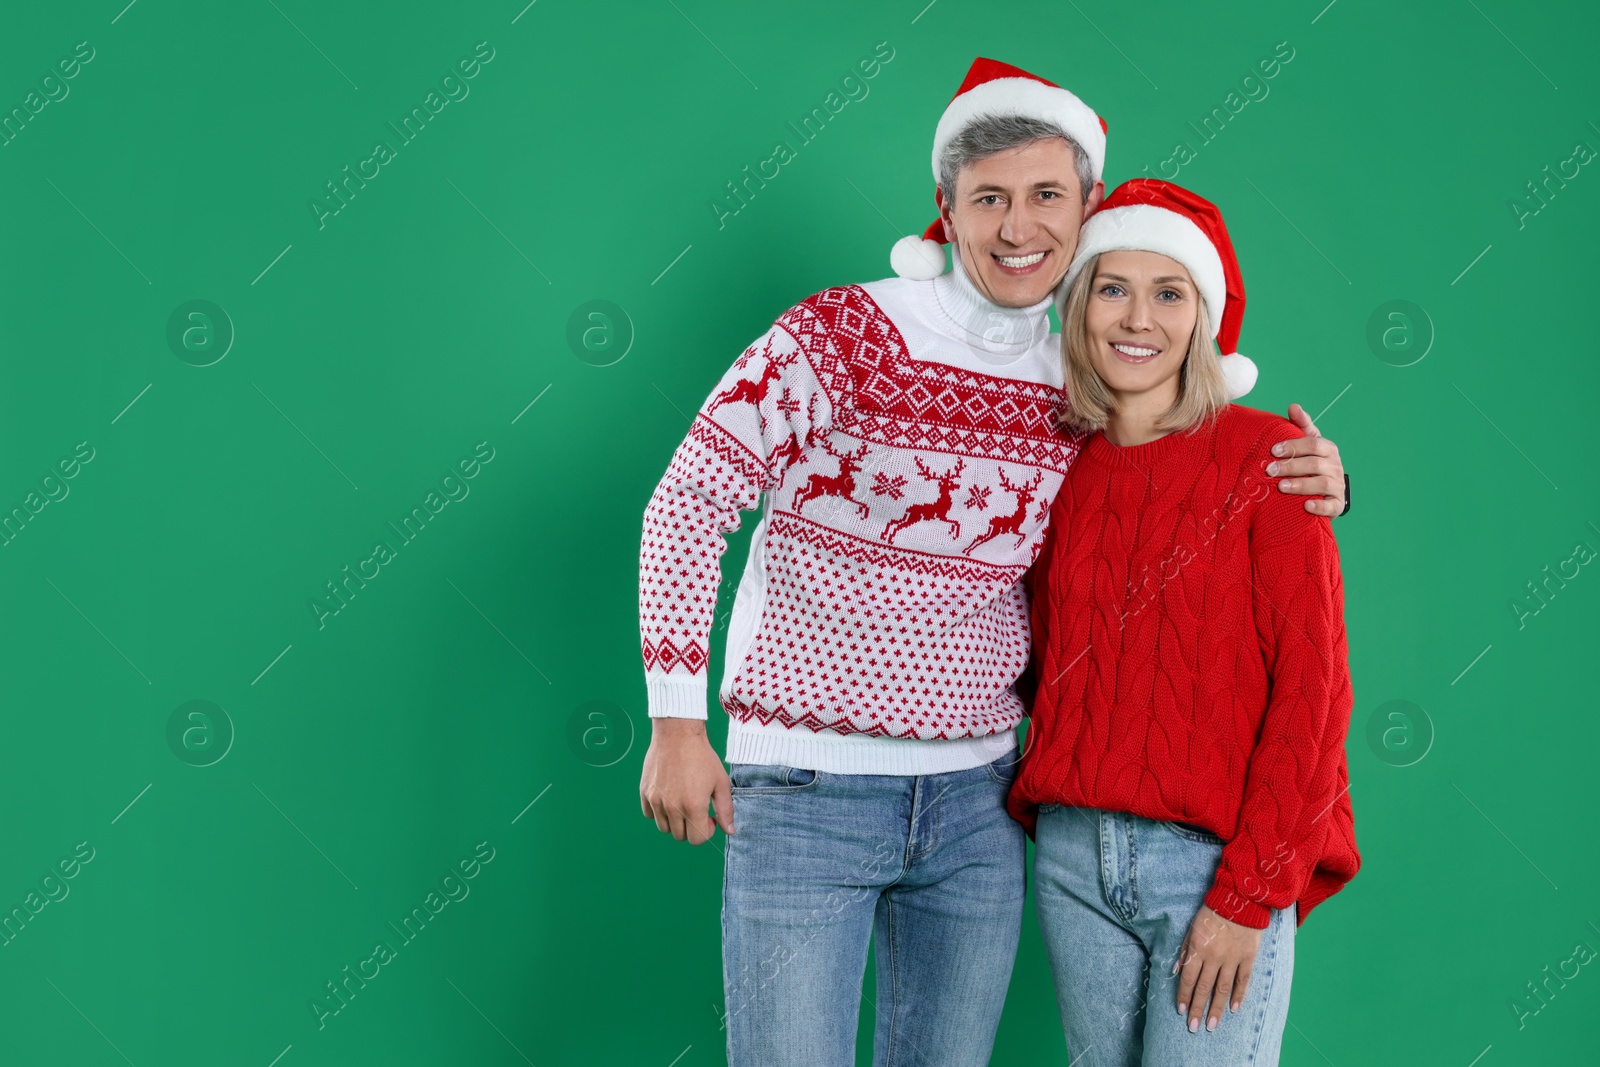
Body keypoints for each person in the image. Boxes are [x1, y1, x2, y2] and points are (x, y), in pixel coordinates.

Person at [637, 59, 1347, 1067]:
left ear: (1088, 204)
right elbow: (689, 499)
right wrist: (674, 714)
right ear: (945, 209)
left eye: (1047, 195)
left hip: (977, 804)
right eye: (990, 199)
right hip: (801, 790)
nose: (1019, 228)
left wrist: (1316, 477)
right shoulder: (842, 333)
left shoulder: (1083, 377)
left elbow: (1179, 487)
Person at [1007, 178, 1360, 1066]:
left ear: (1201, 316)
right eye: (1113, 288)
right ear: (1080, 304)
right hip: (1071, 857)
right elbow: (1026, 652)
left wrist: (1249, 894)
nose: (1138, 318)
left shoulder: (1268, 460)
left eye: (1169, 293)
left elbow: (1313, 697)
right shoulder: (1056, 469)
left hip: (1214, 861)